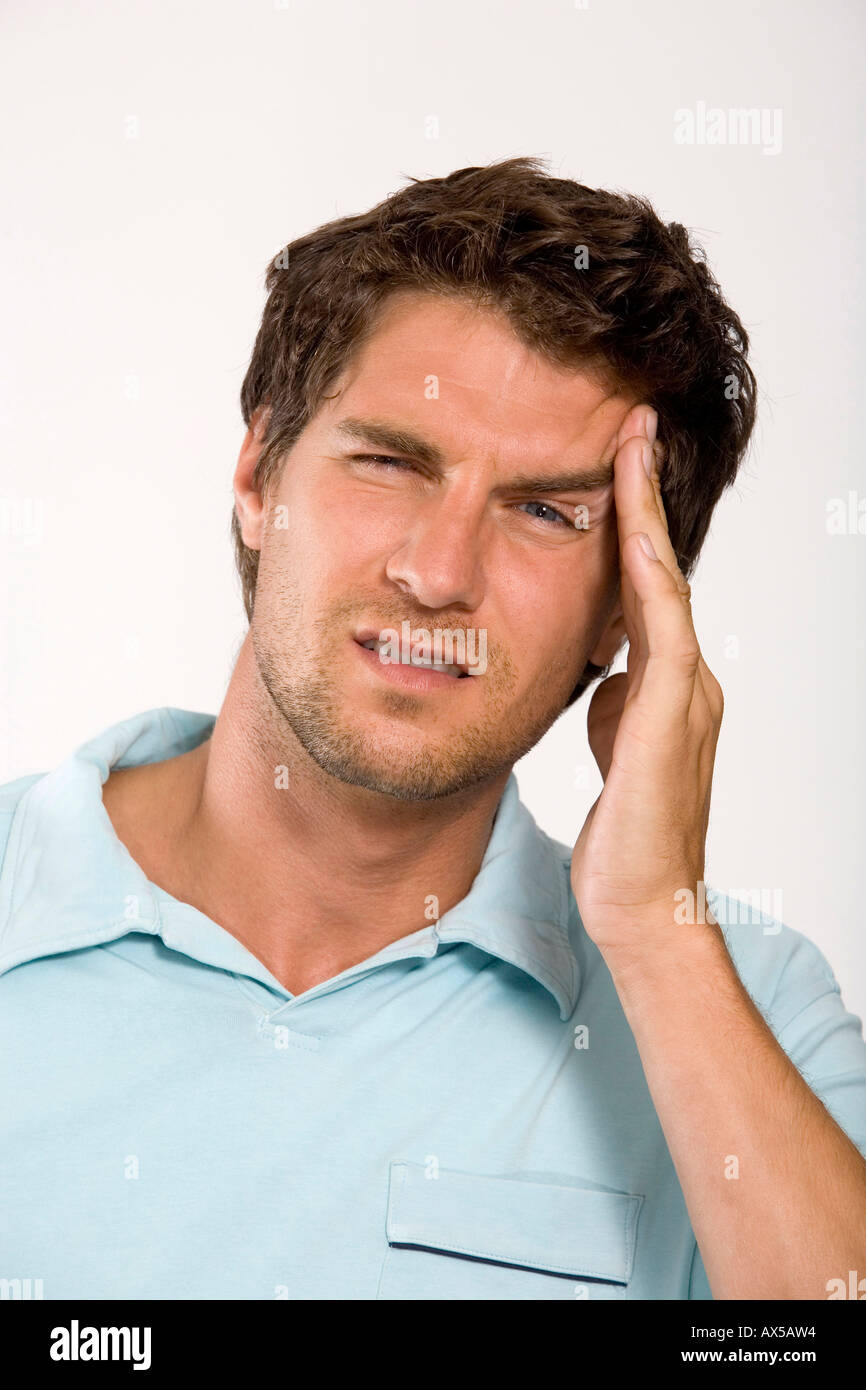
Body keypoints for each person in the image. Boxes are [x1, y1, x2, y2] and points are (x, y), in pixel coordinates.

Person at [1, 157, 864, 1302]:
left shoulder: (745, 1009)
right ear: (259, 474)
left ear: (627, 607)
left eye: (547, 512)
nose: (437, 572)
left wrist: (655, 937)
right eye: (390, 462)